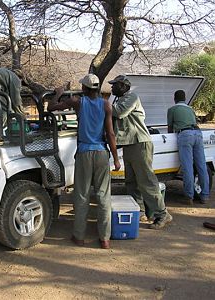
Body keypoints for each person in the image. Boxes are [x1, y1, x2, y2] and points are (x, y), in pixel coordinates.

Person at [48, 74, 121, 249]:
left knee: (81, 195)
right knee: (104, 196)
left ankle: (79, 236)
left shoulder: (78, 102)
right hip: (102, 153)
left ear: (85, 89)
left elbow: (51, 107)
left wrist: (58, 93)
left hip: (84, 153)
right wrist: (116, 159)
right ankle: (105, 239)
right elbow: (110, 134)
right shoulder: (106, 105)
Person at [109, 75, 172, 229]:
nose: (111, 88)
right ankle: (139, 211)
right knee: (131, 182)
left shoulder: (131, 97)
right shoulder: (119, 99)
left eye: (114, 85)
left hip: (140, 143)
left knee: (146, 181)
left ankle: (162, 214)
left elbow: (120, 112)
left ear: (123, 86)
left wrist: (101, 103)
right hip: (130, 145)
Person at [167, 90, 209, 204]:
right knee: (201, 166)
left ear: (174, 98)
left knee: (188, 167)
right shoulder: (190, 109)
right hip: (197, 133)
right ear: (185, 99)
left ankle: (189, 197)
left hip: (185, 135)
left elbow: (170, 129)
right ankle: (204, 196)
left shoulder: (172, 110)